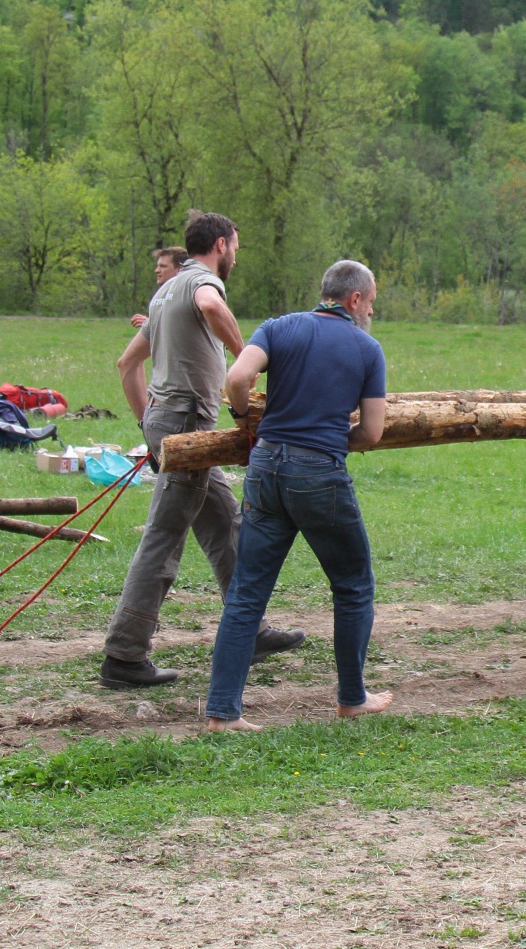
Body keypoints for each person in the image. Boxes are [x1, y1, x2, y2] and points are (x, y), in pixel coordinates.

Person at [100, 211, 304, 689]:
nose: (237, 254)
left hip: (169, 419)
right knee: (164, 538)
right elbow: (212, 307)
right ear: (219, 245)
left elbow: (126, 363)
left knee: (226, 522)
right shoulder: (201, 283)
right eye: (235, 245)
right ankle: (125, 654)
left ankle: (248, 629)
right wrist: (247, 359)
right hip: (189, 422)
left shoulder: (164, 292)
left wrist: (147, 425)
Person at [205, 260, 392, 731]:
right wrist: (328, 441)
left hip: (265, 466)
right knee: (352, 585)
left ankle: (222, 712)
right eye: (370, 301)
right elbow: (371, 432)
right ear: (354, 300)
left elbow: (236, 379)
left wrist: (247, 417)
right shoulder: (367, 349)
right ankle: (352, 698)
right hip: (319, 474)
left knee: (247, 592)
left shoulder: (278, 327)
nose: (372, 309)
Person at [130, 247, 189, 329]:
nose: (157, 270)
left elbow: (183, 330)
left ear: (180, 269)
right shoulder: (162, 294)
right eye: (157, 266)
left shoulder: (187, 295)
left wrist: (149, 324)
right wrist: (149, 324)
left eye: (163, 266)